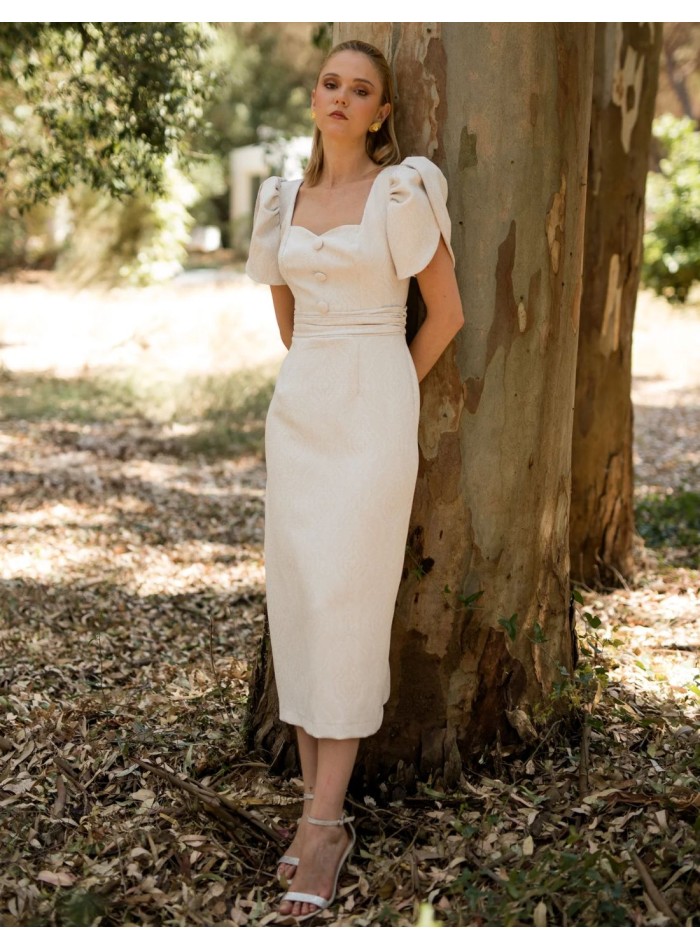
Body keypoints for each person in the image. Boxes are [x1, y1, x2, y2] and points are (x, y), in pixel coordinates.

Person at [246, 39, 464, 921]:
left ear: (381, 111)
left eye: (360, 89)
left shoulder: (402, 189)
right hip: (300, 414)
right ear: (316, 98)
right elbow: (290, 325)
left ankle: (326, 821)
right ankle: (317, 815)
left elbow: (444, 314)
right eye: (330, 83)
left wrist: (385, 393)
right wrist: (326, 379)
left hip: (375, 410)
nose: (340, 97)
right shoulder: (282, 200)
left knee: (347, 601)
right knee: (299, 600)